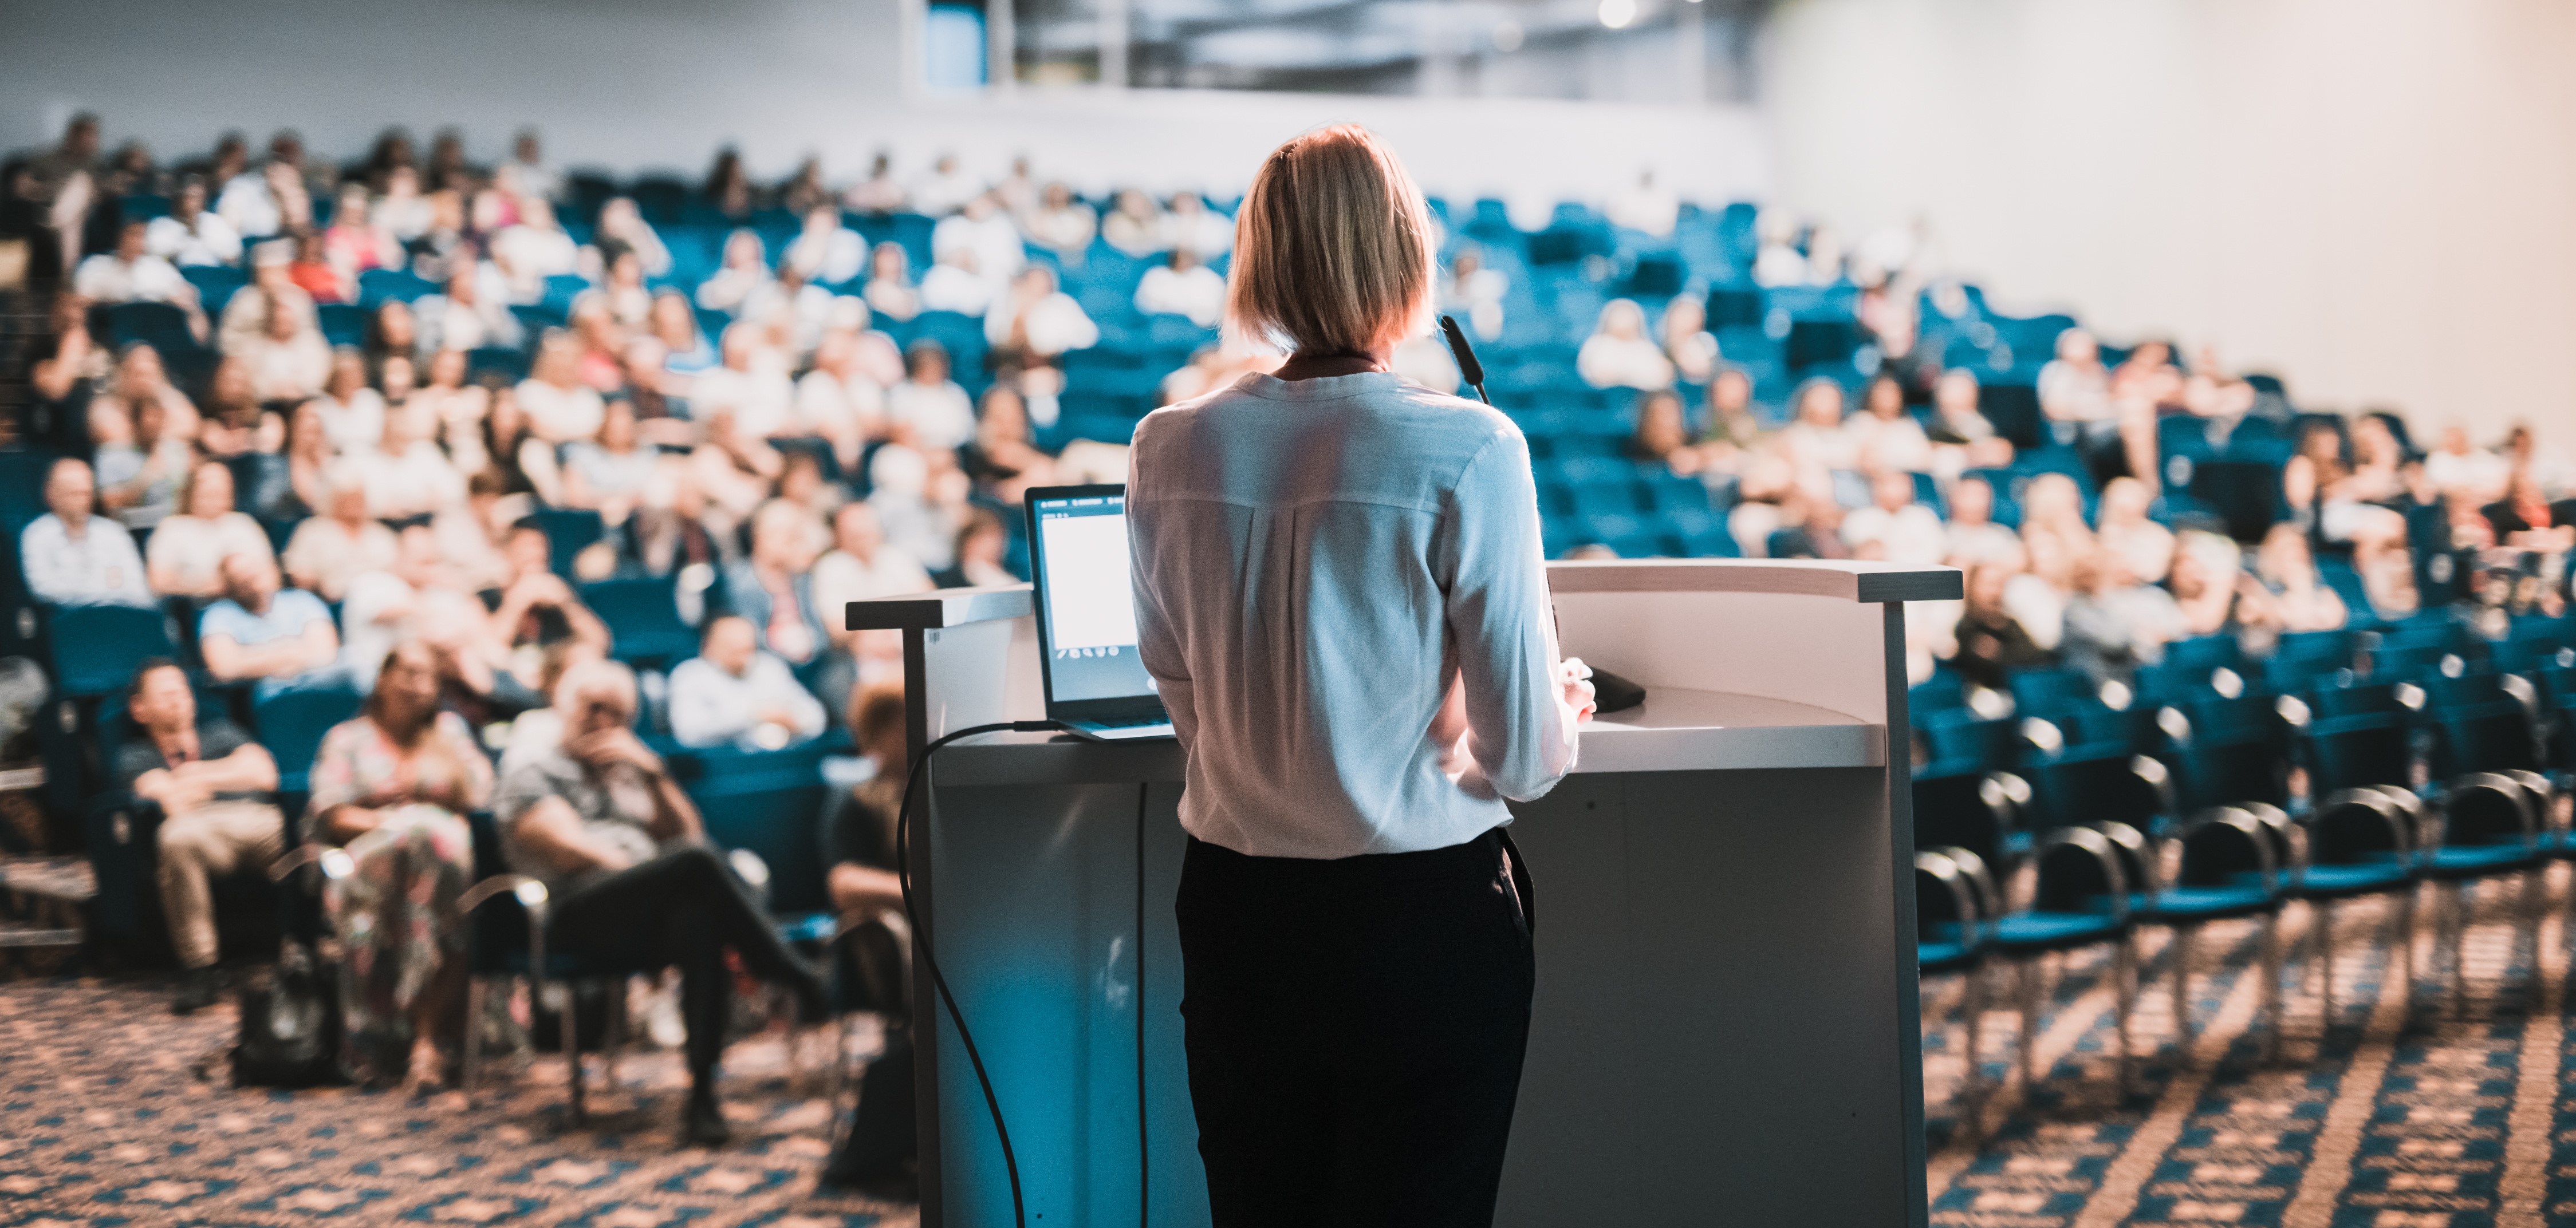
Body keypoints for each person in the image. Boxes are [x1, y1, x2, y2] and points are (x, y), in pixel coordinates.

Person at [1126, 125, 1592, 1227]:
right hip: (1420, 920)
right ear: (1404, 259)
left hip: (1238, 911)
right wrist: (1559, 708)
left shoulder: (1166, 446)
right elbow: (1522, 760)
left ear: (1262, 261)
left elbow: (1184, 693)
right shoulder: (1470, 448)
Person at [493, 658, 828, 1148]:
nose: (606, 722)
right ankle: (783, 967)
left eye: (619, 714)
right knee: (691, 866)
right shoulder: (533, 765)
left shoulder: (628, 768)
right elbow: (567, 848)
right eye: (594, 708)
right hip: (573, 911)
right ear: (562, 707)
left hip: (646, 910)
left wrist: (653, 774)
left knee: (701, 921)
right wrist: (657, 873)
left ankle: (702, 1096)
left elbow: (691, 835)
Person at [308, 641, 493, 1088]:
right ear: (383, 678)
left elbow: (484, 797)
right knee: (424, 844)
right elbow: (332, 815)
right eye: (407, 672)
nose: (418, 684)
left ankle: (418, 1039)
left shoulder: (450, 734)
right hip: (373, 857)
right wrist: (398, 824)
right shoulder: (347, 738)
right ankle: (424, 1040)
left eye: (428, 676)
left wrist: (426, 819)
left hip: (443, 868)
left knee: (435, 885)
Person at [119, 659, 285, 1013]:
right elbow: (172, 801)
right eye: (165, 695)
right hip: (202, 832)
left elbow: (266, 774)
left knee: (305, 835)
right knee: (176, 838)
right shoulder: (136, 754)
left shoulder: (222, 733)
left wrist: (196, 774)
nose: (178, 699)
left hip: (258, 821)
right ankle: (201, 968)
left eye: (182, 691)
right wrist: (231, 775)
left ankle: (309, 945)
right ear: (140, 709)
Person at [666, 615, 828, 749]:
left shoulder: (769, 667)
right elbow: (688, 733)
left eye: (748, 649)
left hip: (778, 760)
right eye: (733, 649)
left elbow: (816, 718)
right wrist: (754, 715)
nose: (743, 657)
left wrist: (793, 721)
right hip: (723, 766)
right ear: (709, 646)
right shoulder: (689, 675)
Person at [198, 551, 342, 694]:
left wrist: (251, 657)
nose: (251, 580)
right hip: (268, 693)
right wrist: (291, 650)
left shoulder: (303, 600)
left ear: (271, 569)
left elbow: (326, 653)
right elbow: (223, 668)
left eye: (254, 571)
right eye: (241, 577)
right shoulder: (218, 615)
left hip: (323, 683)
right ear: (228, 586)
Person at [22, 458, 153, 608]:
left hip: (117, 615)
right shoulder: (37, 534)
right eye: (74, 494)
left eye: (87, 494)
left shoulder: (113, 532)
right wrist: (102, 593)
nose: (83, 501)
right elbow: (43, 589)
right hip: (66, 619)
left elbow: (136, 585)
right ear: (51, 495)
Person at [148, 461, 274, 598]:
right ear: (193, 490)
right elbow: (158, 582)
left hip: (245, 605)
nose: (216, 491)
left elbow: (272, 579)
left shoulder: (245, 525)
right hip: (193, 608)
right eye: (208, 487)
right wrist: (209, 586)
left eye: (222, 486)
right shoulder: (171, 528)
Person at [722, 500, 827, 665]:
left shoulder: (801, 577)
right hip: (765, 662)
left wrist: (811, 645)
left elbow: (818, 627)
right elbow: (748, 637)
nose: (793, 544)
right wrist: (786, 651)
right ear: (761, 537)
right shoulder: (741, 581)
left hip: (810, 660)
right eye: (788, 536)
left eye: (796, 537)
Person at [1950, 562, 2051, 690]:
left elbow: (2037, 657)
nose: (1995, 592)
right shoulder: (1968, 628)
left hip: (2023, 690)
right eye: (1989, 584)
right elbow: (1997, 667)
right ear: (1973, 587)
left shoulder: (2010, 623)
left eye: (2000, 584)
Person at [1840, 469, 1947, 567]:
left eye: (1904, 485)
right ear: (1877, 487)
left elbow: (1938, 551)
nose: (1899, 490)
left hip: (1921, 577)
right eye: (1892, 485)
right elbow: (1867, 554)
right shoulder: (1860, 518)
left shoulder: (1923, 516)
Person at [887, 341, 976, 451]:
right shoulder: (901, 393)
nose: (932, 369)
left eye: (936, 364)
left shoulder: (956, 393)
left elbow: (966, 430)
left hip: (951, 452)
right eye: (925, 363)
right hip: (911, 450)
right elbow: (899, 430)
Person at [1575, 298, 1674, 391]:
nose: (1624, 320)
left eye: (1628, 315)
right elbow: (1599, 374)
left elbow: (1664, 376)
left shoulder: (1648, 348)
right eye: (1620, 315)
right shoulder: (1597, 344)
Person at [146, 175, 243, 267]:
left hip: (212, 276)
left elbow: (233, 254)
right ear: (180, 198)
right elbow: (157, 256)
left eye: (200, 197)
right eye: (191, 197)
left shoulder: (216, 222)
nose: (196, 202)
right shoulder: (161, 224)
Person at [1135, 246, 1228, 327]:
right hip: (1160, 326)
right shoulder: (1156, 275)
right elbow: (1143, 305)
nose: (1184, 259)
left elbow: (1218, 311)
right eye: (1181, 255)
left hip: (1195, 330)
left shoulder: (1208, 279)